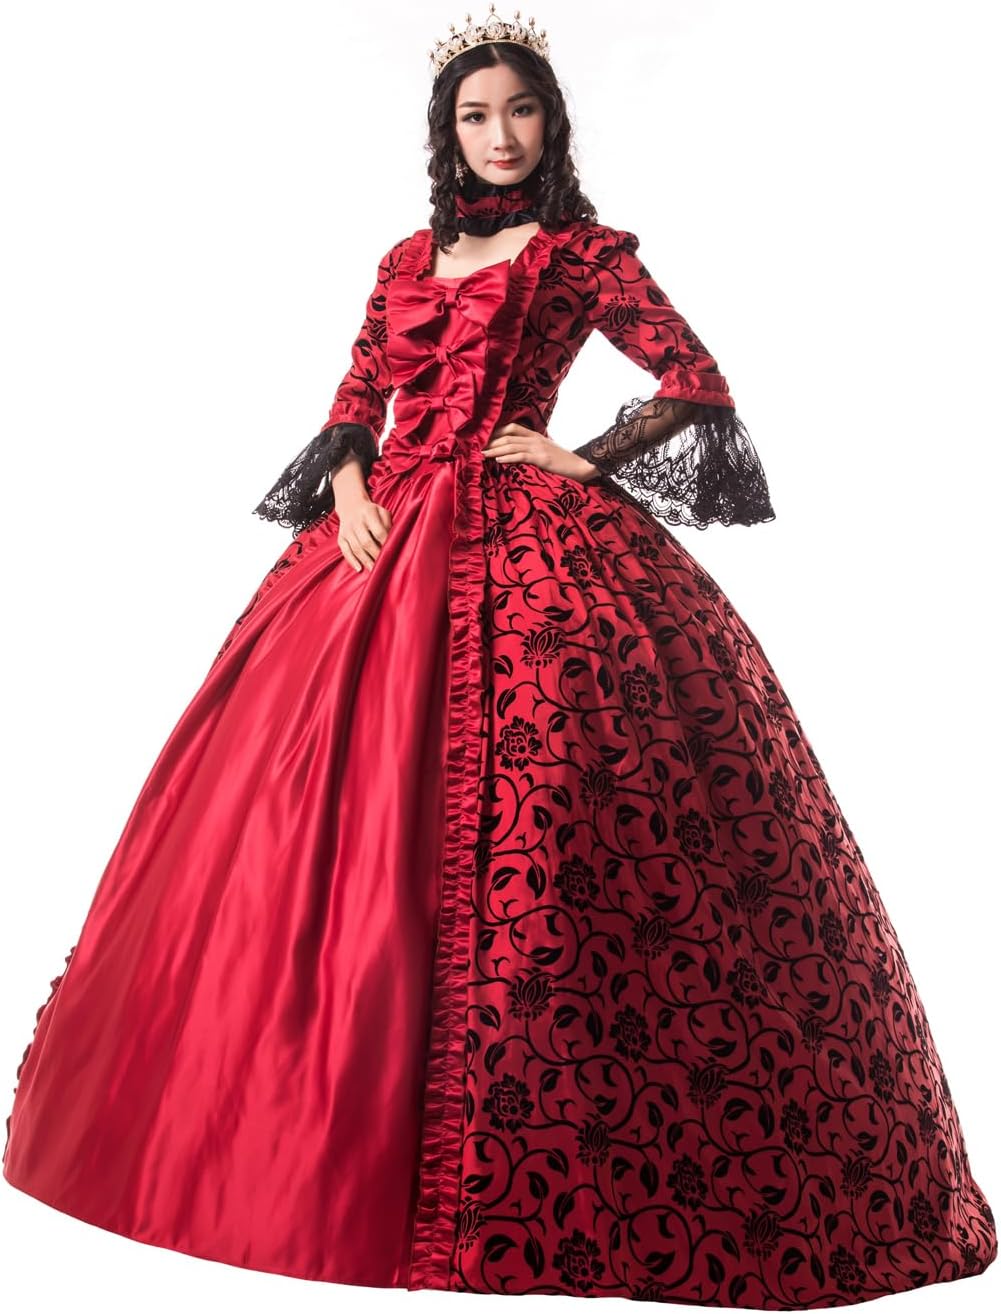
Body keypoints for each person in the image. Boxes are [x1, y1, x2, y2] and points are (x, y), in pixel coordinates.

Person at [4, 5, 996, 1306]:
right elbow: (356, 395)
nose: (499, 133)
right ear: (448, 131)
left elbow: (692, 379)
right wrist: (350, 491)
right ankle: (292, 1129)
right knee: (285, 808)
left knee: (561, 802)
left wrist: (579, 456)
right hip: (377, 539)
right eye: (476, 115)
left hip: (527, 539)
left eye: (519, 109)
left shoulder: (581, 254)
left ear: (549, 121)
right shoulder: (405, 258)